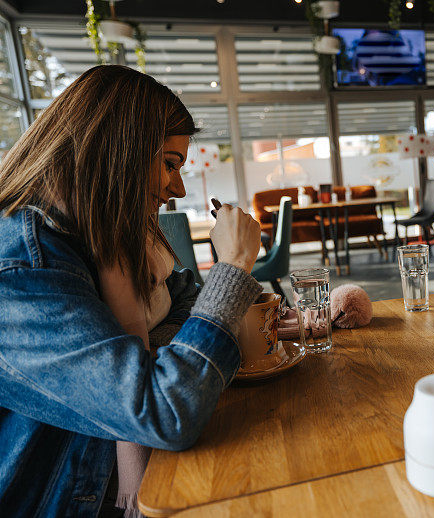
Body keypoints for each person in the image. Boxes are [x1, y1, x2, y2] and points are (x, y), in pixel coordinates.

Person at [0, 65, 264, 517]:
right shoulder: (23, 270)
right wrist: (234, 268)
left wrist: (177, 346)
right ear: (117, 150)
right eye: (169, 164)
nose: (177, 188)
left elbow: (179, 301)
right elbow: (164, 413)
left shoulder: (108, 240)